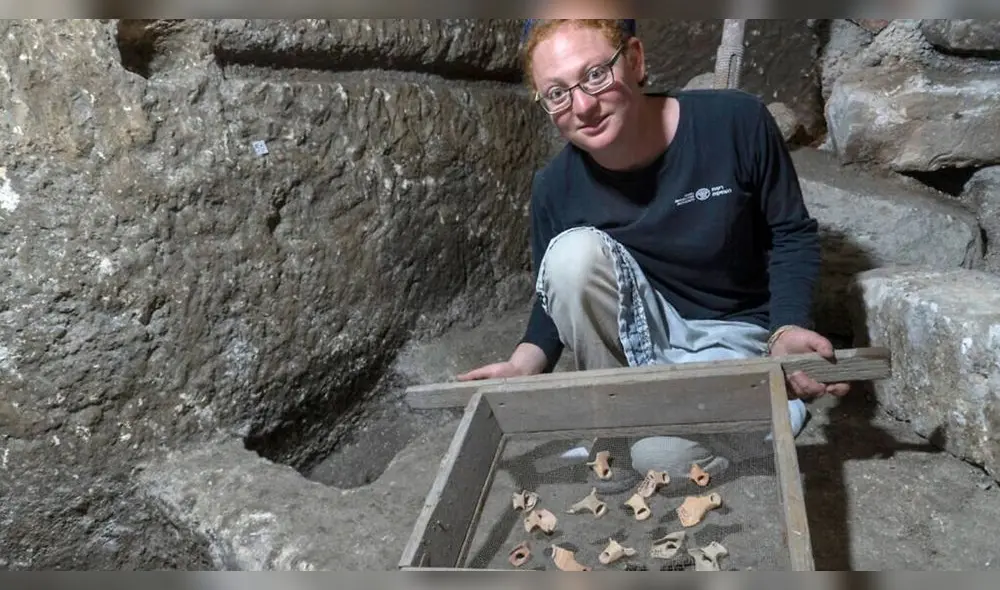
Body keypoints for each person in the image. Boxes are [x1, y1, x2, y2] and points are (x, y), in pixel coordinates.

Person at [457, 18, 849, 437]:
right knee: (570, 258)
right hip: (634, 343)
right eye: (556, 93)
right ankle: (619, 418)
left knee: (662, 456)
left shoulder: (737, 122)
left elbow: (790, 233)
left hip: (732, 336)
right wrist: (523, 364)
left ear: (635, 60)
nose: (583, 107)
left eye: (595, 75)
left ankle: (661, 422)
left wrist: (787, 328)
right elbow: (552, 297)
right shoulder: (554, 188)